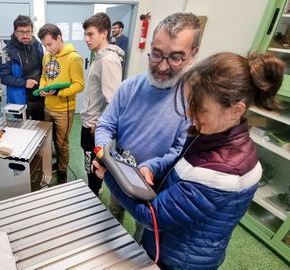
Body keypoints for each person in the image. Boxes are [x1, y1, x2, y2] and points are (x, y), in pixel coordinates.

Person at [94, 51, 284, 269]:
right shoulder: (212, 133)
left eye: (201, 109)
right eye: (190, 105)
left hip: (179, 261)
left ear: (236, 110)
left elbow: (152, 218)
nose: (191, 116)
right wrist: (153, 167)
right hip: (170, 244)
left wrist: (108, 175)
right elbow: (180, 159)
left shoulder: (222, 172)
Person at [94, 13, 201, 234]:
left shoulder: (192, 100)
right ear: (150, 47)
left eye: (175, 57)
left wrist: (152, 167)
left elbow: (181, 150)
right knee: (113, 216)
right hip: (119, 175)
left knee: (145, 232)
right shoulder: (129, 87)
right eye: (157, 55)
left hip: (157, 186)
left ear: (193, 55)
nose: (162, 67)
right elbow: (105, 125)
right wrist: (104, 153)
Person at [80, 12, 124, 196]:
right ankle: (93, 191)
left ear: (104, 33)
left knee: (94, 166)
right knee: (90, 162)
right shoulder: (99, 56)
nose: (86, 39)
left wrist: (99, 123)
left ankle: (94, 196)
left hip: (94, 126)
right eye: (86, 34)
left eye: (90, 34)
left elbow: (114, 100)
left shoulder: (108, 60)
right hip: (89, 121)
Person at [37, 23, 84, 184]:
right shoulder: (46, 57)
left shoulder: (73, 58)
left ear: (59, 37)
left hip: (64, 110)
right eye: (45, 46)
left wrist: (58, 92)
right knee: (47, 140)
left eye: (50, 44)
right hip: (48, 107)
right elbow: (44, 76)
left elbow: (79, 84)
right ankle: (52, 164)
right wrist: (42, 87)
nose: (48, 49)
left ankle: (62, 171)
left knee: (62, 143)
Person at [0, 15, 45, 120]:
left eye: (28, 31)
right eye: (21, 32)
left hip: (39, 97)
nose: (25, 35)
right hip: (19, 100)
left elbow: (43, 68)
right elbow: (3, 77)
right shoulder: (6, 52)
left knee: (41, 127)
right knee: (22, 130)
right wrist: (24, 82)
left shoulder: (38, 46)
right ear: (15, 32)